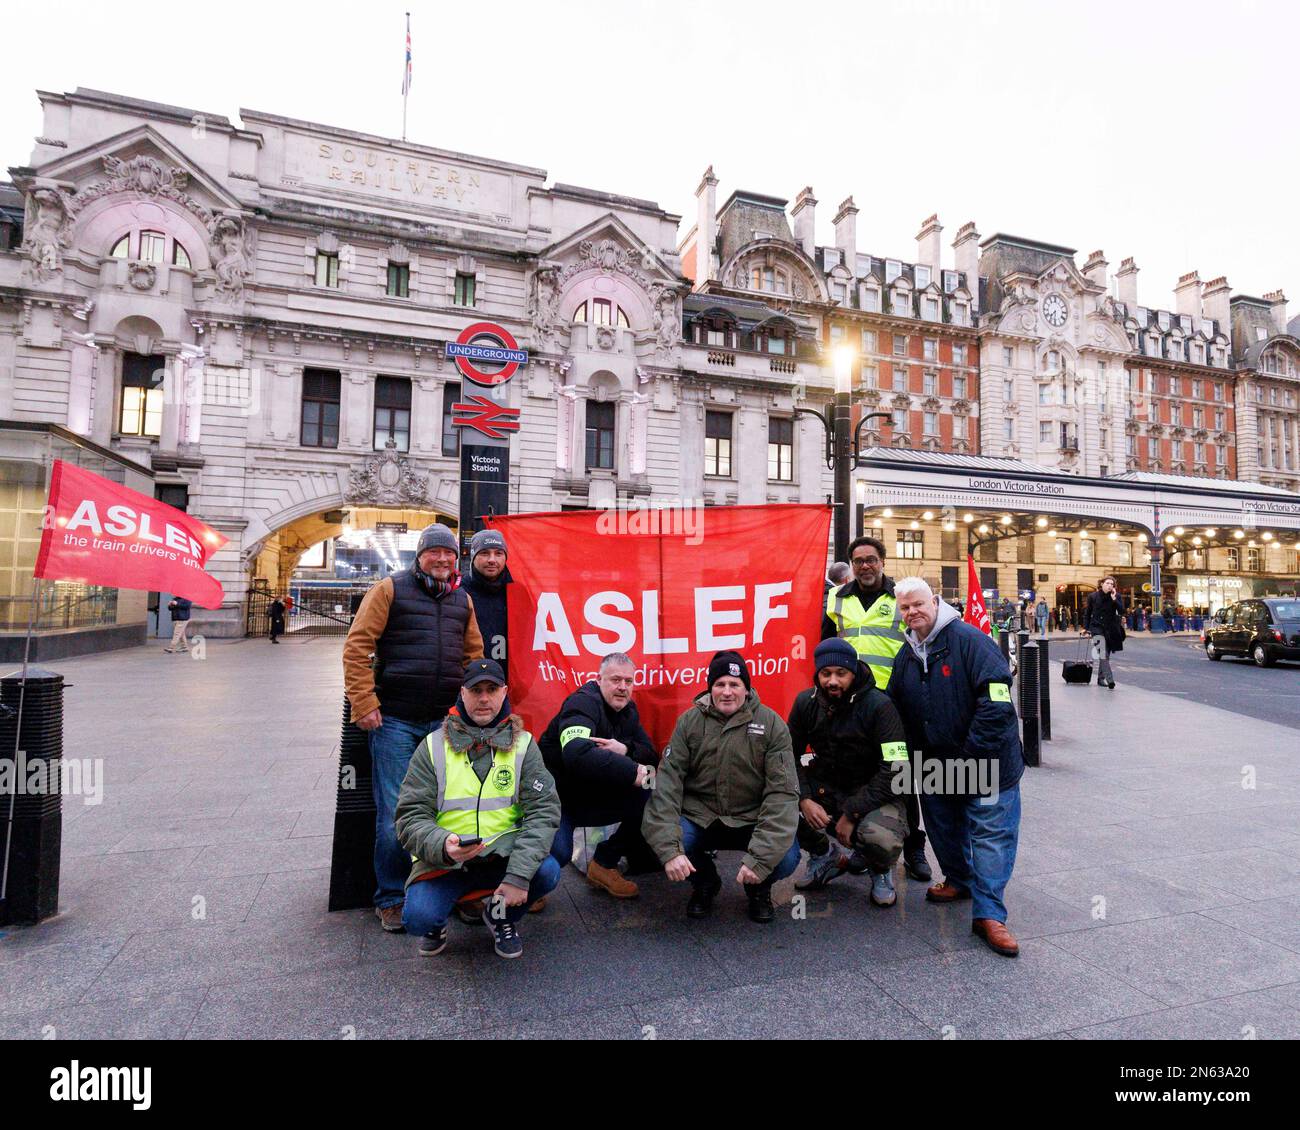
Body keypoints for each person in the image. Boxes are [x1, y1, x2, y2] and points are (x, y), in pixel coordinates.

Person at [343, 523, 484, 933]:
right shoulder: (390, 589)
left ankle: (450, 890)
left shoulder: (462, 600)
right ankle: (391, 896)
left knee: (452, 809)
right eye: (433, 552)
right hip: (396, 722)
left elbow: (473, 658)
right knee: (396, 814)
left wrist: (471, 710)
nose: (442, 559)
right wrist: (365, 703)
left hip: (445, 723)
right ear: (419, 556)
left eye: (449, 553)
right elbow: (357, 647)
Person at [887, 577, 1024, 957]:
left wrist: (968, 758)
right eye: (905, 608)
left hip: (986, 763)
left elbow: (997, 703)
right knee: (943, 829)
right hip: (935, 764)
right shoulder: (908, 653)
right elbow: (896, 706)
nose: (912, 612)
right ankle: (960, 880)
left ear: (935, 601)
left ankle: (989, 915)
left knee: (990, 837)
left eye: (917, 604)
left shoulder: (971, 641)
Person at [396, 659, 560, 959]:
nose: (484, 698)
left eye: (492, 689)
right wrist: (443, 845)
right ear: (463, 693)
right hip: (445, 863)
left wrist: (518, 876)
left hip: (502, 858)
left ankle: (500, 917)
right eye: (476, 690)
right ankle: (437, 921)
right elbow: (410, 817)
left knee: (547, 871)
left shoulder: (524, 745)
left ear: (504, 692)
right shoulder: (432, 747)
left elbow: (543, 812)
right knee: (418, 919)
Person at [642, 651, 800, 923]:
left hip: (752, 819)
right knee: (659, 845)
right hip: (700, 817)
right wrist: (669, 850)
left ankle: (758, 888)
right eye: (720, 684)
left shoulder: (772, 724)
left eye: (735, 685)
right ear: (710, 688)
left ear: (747, 689)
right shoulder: (689, 722)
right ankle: (705, 882)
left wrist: (760, 860)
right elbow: (667, 783)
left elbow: (782, 794)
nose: (727, 692)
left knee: (787, 857)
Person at [822, 535, 931, 883]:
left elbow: (921, 643)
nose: (865, 566)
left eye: (871, 559)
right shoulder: (836, 597)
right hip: (851, 704)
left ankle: (914, 846)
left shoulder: (900, 598)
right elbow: (825, 643)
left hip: (895, 702)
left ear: (882, 561)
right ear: (851, 565)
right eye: (858, 561)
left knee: (902, 773)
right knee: (860, 771)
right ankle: (864, 846)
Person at [788, 639, 911, 907]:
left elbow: (897, 769)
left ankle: (880, 869)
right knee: (775, 803)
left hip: (876, 794)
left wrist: (852, 813)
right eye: (825, 673)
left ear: (853, 673)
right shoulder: (805, 703)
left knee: (880, 838)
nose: (833, 681)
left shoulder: (880, 706)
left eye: (840, 673)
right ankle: (824, 855)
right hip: (826, 788)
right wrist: (804, 799)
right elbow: (787, 756)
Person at [540, 652, 659, 898]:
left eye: (628, 681)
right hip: (559, 800)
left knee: (657, 790)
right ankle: (530, 884)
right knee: (558, 855)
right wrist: (630, 770)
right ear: (598, 679)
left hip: (595, 796)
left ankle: (604, 864)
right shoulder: (581, 703)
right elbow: (577, 753)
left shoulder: (629, 710)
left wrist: (624, 749)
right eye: (616, 680)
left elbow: (651, 755)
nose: (622, 687)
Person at [462, 529, 510, 665]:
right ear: (473, 556)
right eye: (484, 553)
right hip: (471, 680)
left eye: (498, 553)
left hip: (512, 680)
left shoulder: (518, 592)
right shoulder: (459, 593)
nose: (492, 560)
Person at [1083, 575, 1125, 690]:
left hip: (1111, 629)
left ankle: (1100, 678)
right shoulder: (1093, 596)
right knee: (1102, 653)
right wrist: (1086, 628)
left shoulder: (1117, 596)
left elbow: (1122, 611)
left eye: (1112, 584)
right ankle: (1110, 679)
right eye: (1107, 583)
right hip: (1096, 628)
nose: (1110, 585)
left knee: (1106, 654)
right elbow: (1087, 613)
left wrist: (1114, 600)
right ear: (1101, 584)